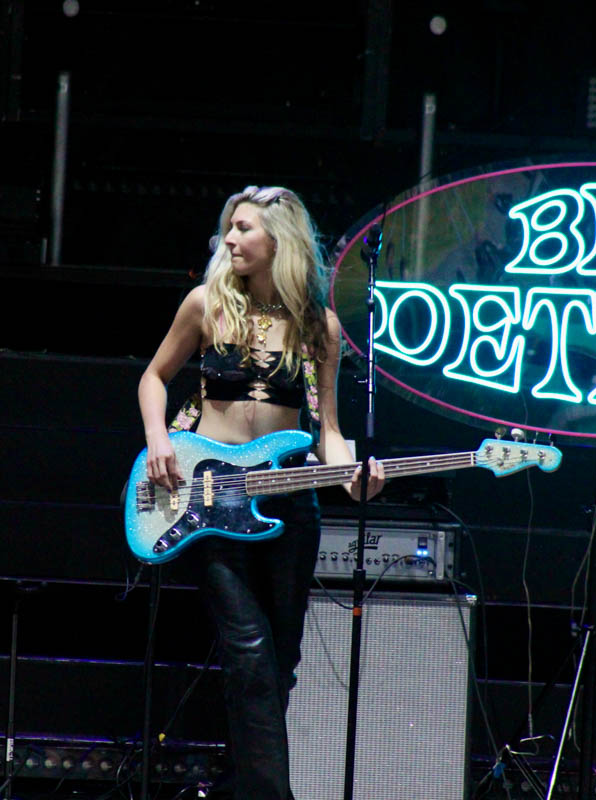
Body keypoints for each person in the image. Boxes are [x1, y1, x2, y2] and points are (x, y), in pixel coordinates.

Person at [137, 185, 384, 799]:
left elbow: (328, 430)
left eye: (243, 228)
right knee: (249, 653)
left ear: (279, 240)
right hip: (212, 501)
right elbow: (154, 376)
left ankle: (239, 786)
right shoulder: (206, 304)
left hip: (288, 505)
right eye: (229, 228)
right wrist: (158, 439)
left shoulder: (318, 326)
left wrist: (354, 476)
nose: (229, 239)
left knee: (280, 664)